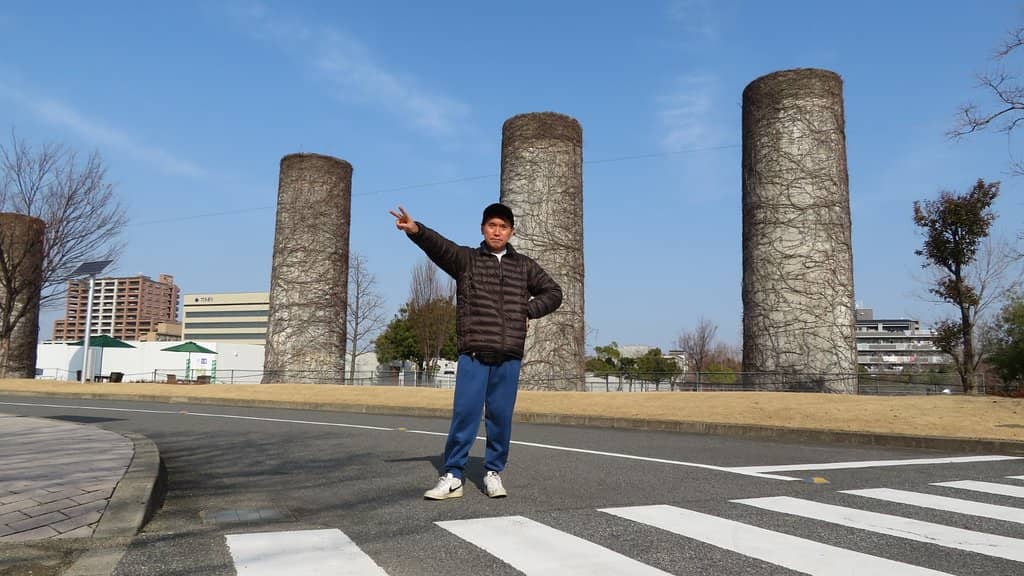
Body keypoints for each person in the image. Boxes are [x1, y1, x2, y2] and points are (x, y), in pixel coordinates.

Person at [389, 203, 563, 500]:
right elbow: (439, 247)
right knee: (465, 415)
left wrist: (528, 310)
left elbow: (554, 293)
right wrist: (416, 231)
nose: (497, 231)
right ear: (483, 228)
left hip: (508, 354)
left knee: (500, 417)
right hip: (474, 353)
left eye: (503, 227)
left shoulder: (524, 266)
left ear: (511, 232)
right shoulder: (467, 260)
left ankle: (493, 472)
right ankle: (453, 475)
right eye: (492, 225)